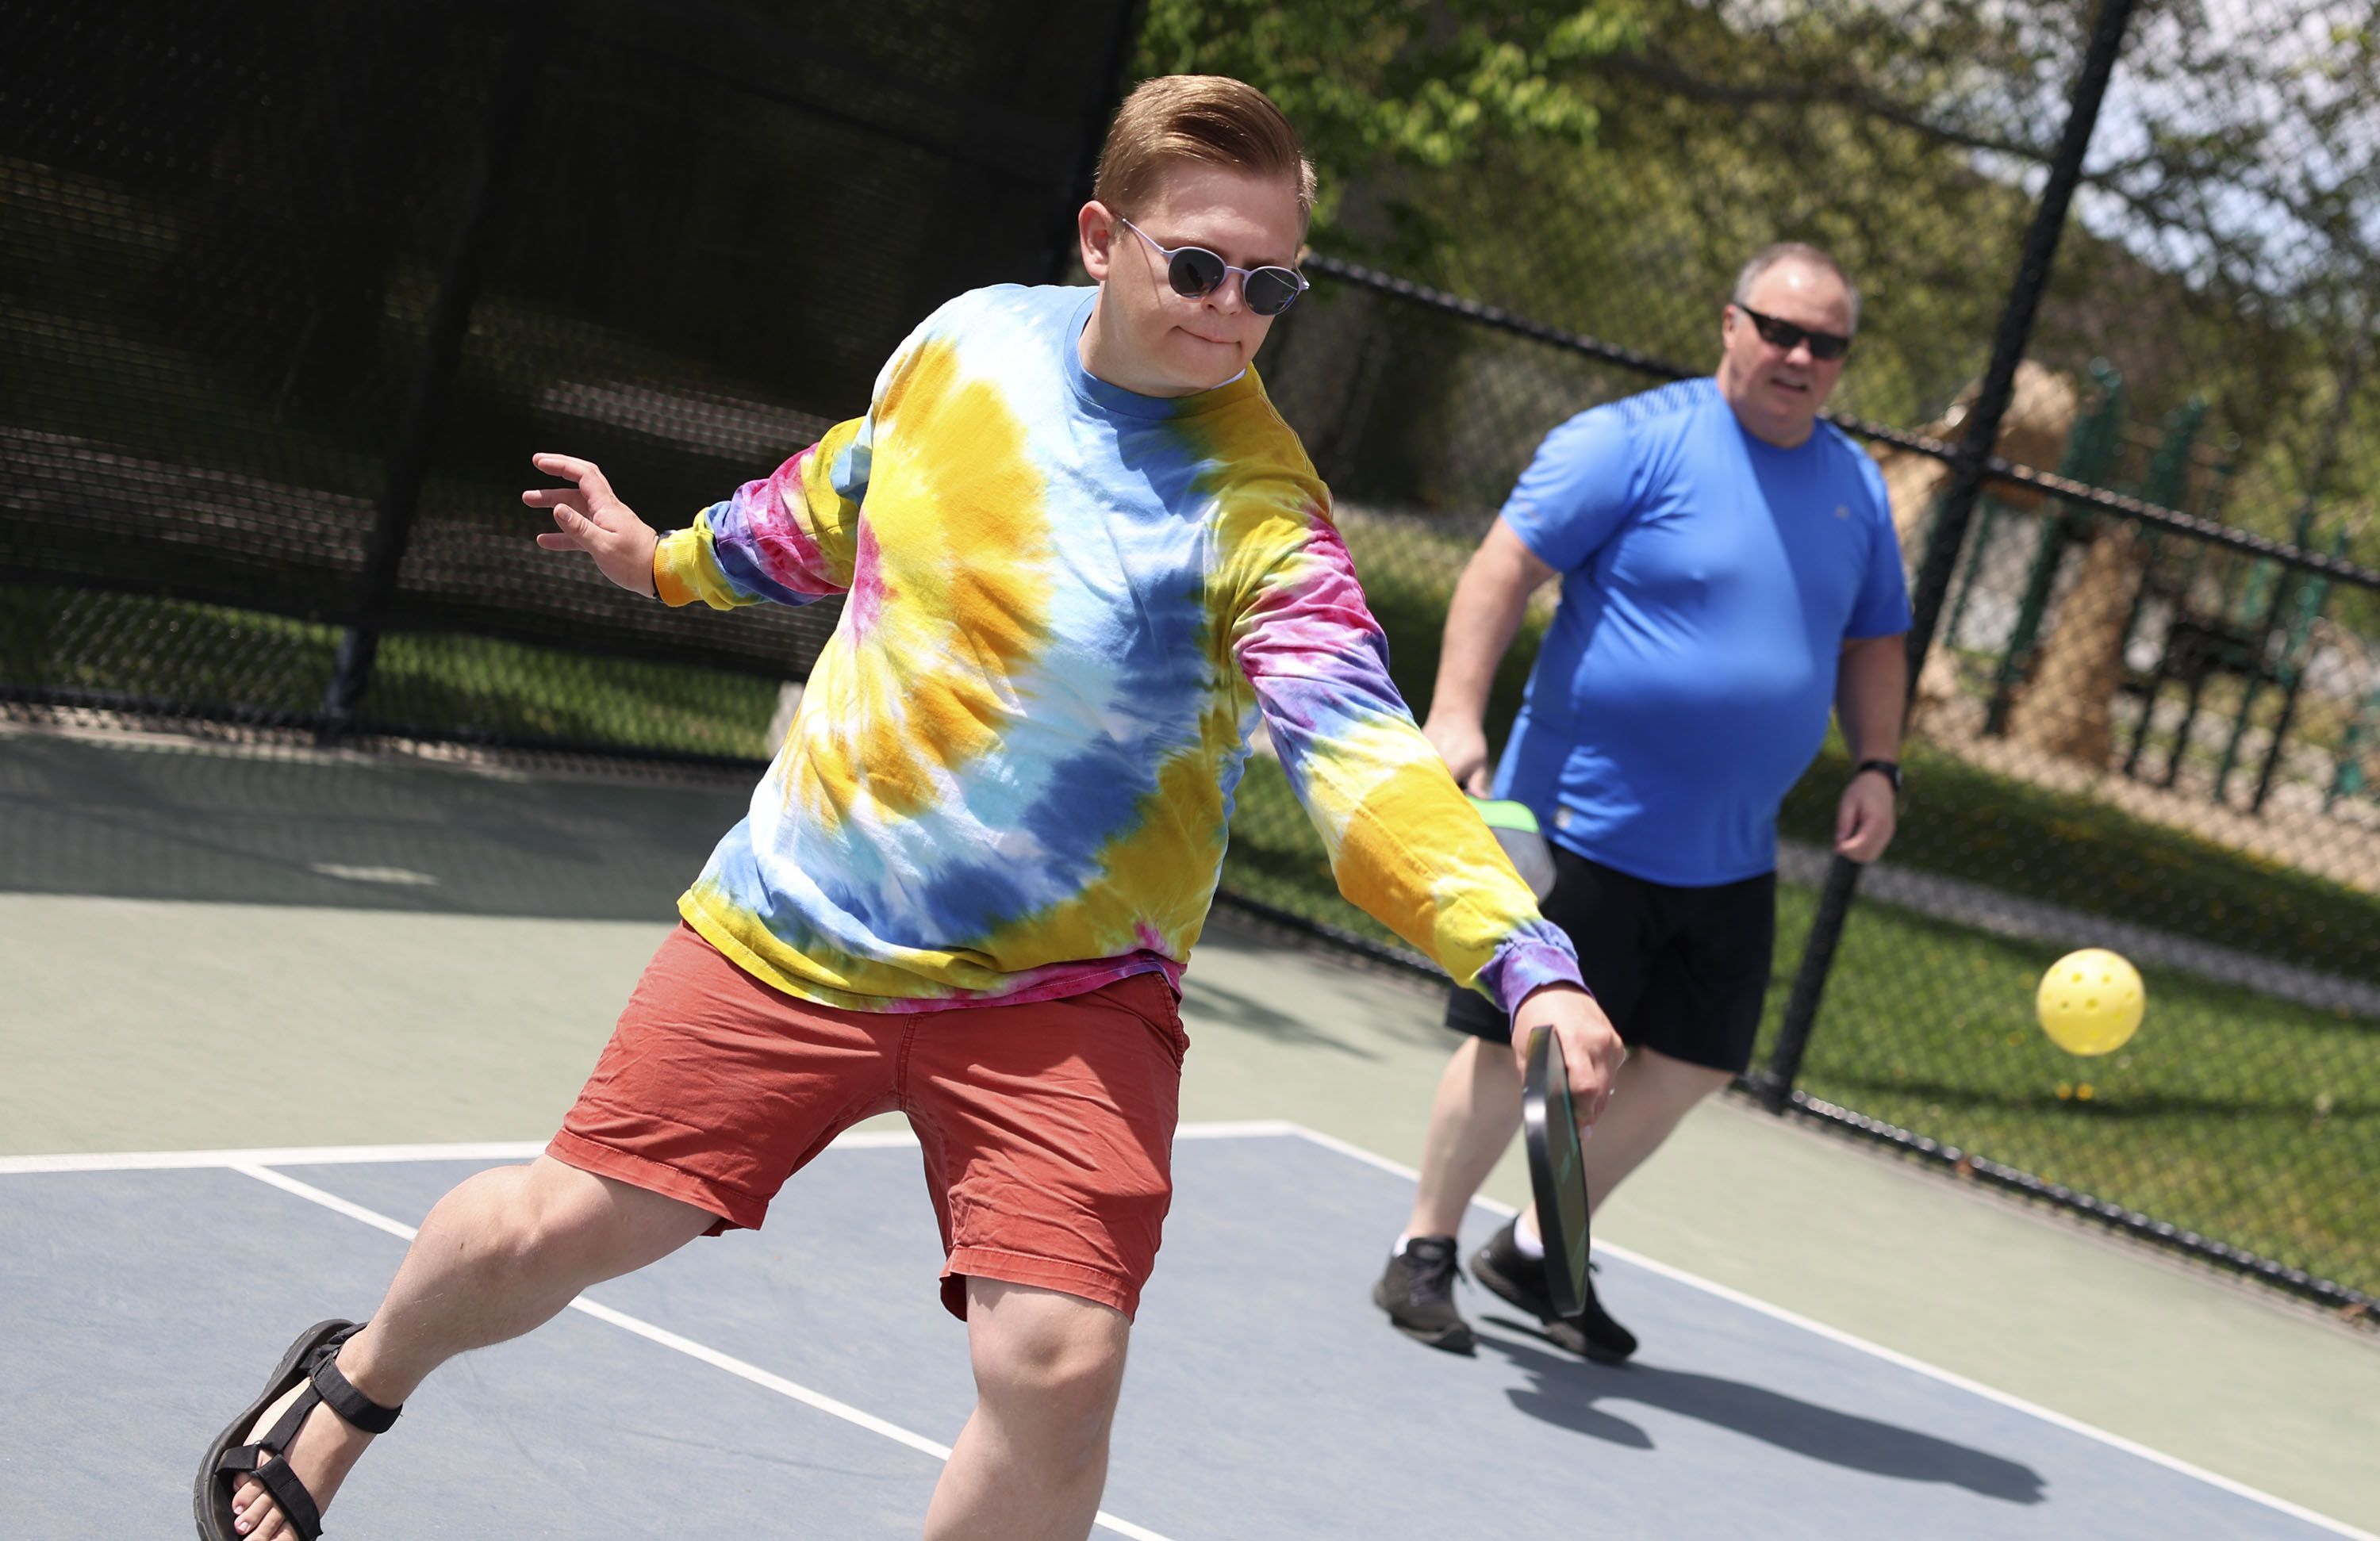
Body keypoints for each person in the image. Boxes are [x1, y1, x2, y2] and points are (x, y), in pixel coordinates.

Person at [197, 75, 1623, 1541]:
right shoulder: (968, 344)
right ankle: (348, 1392)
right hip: (802, 918)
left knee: (1059, 1360)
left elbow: (1362, 763)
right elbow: (845, 493)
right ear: (1100, 238)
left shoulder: (1259, 513)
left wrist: (1523, 961)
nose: (1229, 305)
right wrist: (669, 561)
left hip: (1059, 991)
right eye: (1196, 264)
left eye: (1270, 284)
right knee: (555, 1230)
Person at [1373, 243, 1911, 1361]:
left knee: (1699, 1057)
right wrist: (1458, 714)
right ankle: (1423, 1251)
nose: (1800, 356)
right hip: (1576, 821)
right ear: (1730, 324)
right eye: (1780, 330)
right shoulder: (1631, 441)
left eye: (1826, 343)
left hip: (1728, 851)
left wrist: (1878, 763)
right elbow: (1499, 569)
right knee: (1518, 1045)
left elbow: (1874, 639)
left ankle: (1535, 1247)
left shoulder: (1856, 487)